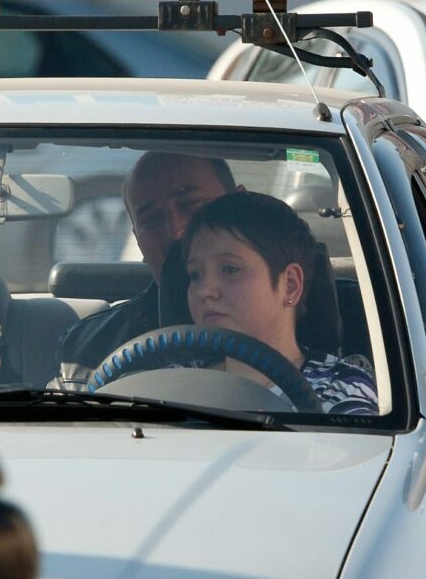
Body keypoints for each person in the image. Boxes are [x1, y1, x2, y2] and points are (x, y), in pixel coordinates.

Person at [171, 190, 378, 416]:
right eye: (195, 274)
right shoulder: (174, 380)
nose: (205, 290)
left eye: (230, 269)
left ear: (289, 284)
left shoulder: (340, 389)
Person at [53, 149, 236, 387]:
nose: (176, 231)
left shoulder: (294, 324)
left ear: (240, 205)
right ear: (137, 240)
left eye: (191, 204)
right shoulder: (88, 351)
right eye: (151, 220)